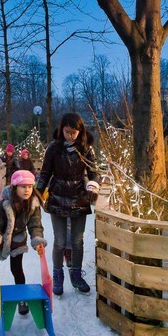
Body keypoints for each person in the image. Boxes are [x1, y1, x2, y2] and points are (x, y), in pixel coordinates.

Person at [37, 113, 101, 295]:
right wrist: (37, 193)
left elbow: (94, 171)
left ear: (79, 131)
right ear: (62, 130)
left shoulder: (86, 148)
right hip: (57, 197)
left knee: (77, 241)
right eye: (67, 132)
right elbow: (44, 173)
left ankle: (76, 274)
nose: (70, 136)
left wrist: (93, 186)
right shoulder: (53, 148)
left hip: (79, 198)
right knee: (59, 241)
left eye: (74, 132)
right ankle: (58, 276)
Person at [0, 170, 47, 312]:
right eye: (23, 186)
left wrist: (37, 241)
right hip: (0, 239)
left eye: (30, 186)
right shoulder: (2, 204)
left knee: (16, 268)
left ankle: (21, 295)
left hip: (18, 239)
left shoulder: (33, 205)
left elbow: (35, 225)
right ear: (14, 187)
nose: (27, 190)